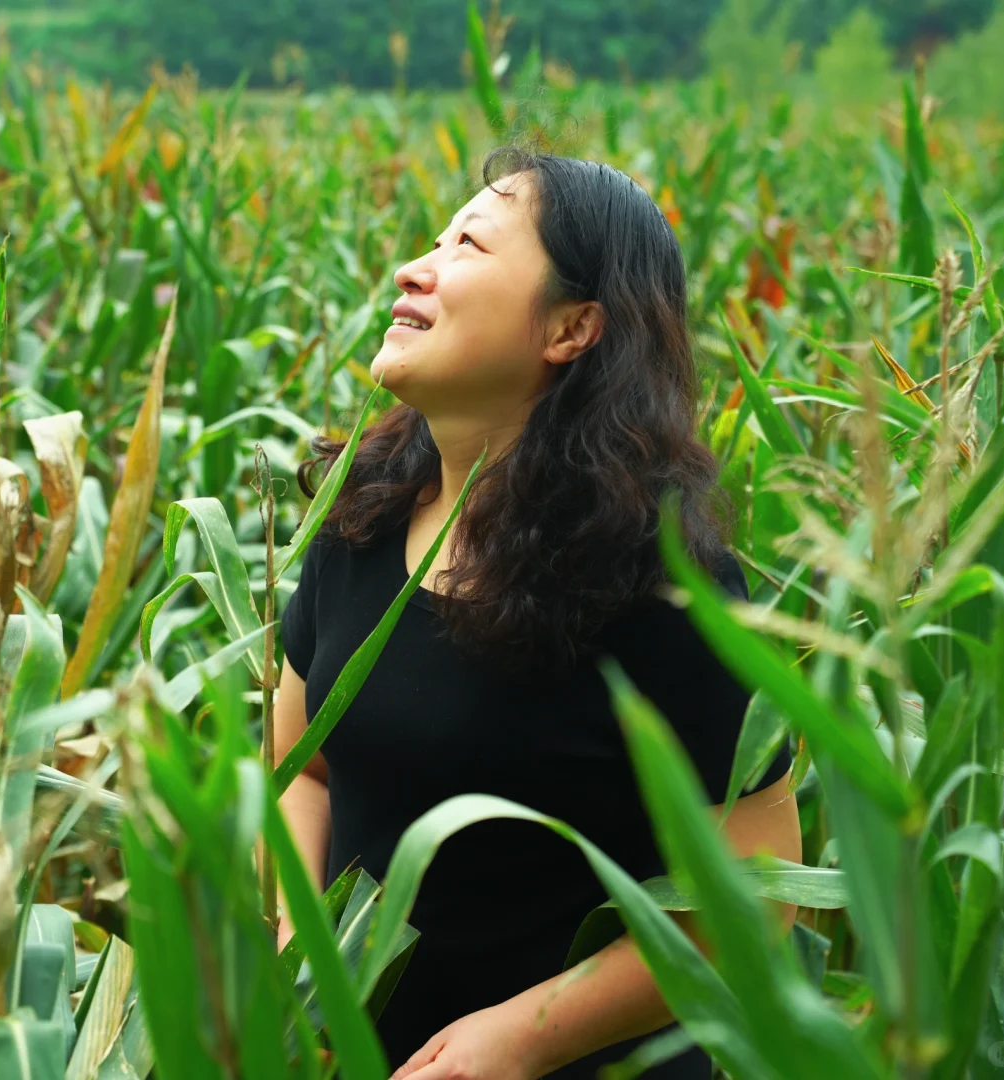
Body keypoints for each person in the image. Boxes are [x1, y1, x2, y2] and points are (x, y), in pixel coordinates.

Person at [273, 145, 803, 1079]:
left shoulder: (665, 583)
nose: (414, 266)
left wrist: (524, 1037)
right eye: (434, 237)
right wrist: (298, 950)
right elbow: (301, 778)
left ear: (570, 328)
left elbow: (756, 897)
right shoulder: (358, 519)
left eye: (468, 243)